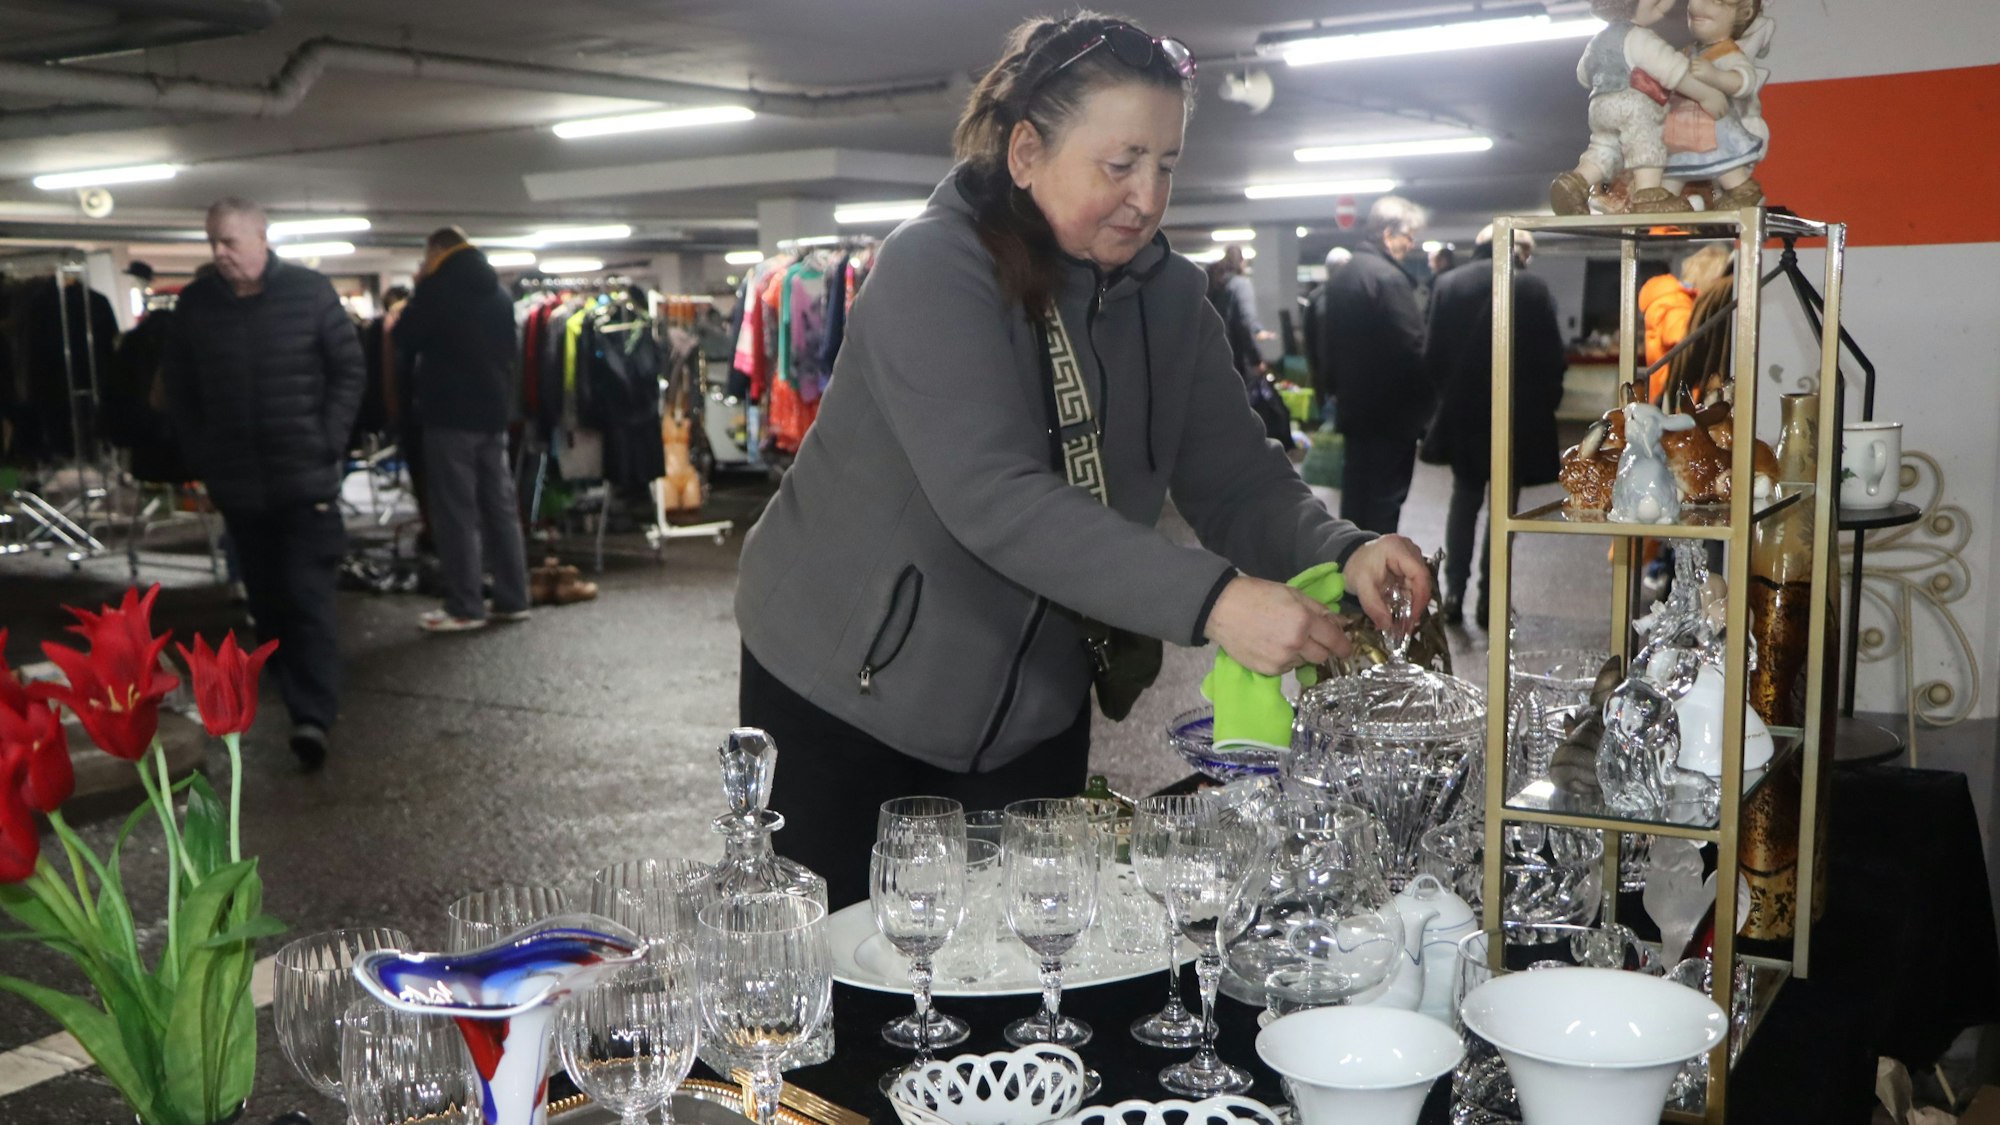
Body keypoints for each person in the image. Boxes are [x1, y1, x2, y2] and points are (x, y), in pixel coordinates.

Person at [733, 12, 1433, 907]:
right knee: (841, 974)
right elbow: (995, 498)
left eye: (1167, 165)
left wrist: (1344, 549)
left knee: (1026, 966)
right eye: (1120, 163)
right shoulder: (933, 270)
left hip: (1032, 707)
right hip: (844, 690)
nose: (1147, 195)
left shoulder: (1173, 302)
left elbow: (1238, 478)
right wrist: (1214, 599)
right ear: (1026, 153)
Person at [161, 197, 364, 770]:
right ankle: (292, 690)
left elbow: (349, 369)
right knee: (269, 603)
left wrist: (327, 437)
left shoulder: (309, 293)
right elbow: (179, 383)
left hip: (305, 478)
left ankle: (313, 715)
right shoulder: (197, 305)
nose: (220, 253)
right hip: (240, 484)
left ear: (261, 237)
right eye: (213, 243)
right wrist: (201, 450)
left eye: (229, 241)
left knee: (308, 596)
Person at [1419, 225, 1567, 627]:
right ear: (1518, 250)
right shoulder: (1533, 290)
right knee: (1504, 509)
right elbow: (1553, 359)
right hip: (1518, 415)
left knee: (1463, 501)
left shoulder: (1448, 284)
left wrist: (1450, 397)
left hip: (1464, 414)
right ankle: (1491, 600)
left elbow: (1430, 355)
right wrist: (1543, 403)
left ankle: (1452, 595)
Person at [392, 228, 532, 632]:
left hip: (449, 415)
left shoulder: (436, 290)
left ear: (437, 250)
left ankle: (465, 605)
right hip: (493, 413)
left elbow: (404, 338)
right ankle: (513, 597)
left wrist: (418, 292)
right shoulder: (500, 294)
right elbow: (509, 352)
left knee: (456, 512)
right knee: (500, 509)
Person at [1319, 194, 1431, 535]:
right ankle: (1381, 578)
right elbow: (1414, 348)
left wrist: (1333, 389)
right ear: (1387, 234)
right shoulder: (1389, 279)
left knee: (1355, 500)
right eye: (1408, 236)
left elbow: (1322, 343)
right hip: (1392, 416)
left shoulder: (1341, 277)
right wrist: (1427, 405)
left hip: (1354, 412)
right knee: (1385, 503)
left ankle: (1351, 574)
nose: (1411, 244)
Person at [1205, 244, 1291, 445]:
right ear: (1241, 263)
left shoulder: (1213, 285)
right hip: (1239, 364)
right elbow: (1245, 322)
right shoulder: (1241, 284)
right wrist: (1256, 360)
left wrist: (1258, 330)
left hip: (1214, 361)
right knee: (1248, 413)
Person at [1303, 246, 1352, 412]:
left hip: (1348, 378)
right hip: (1330, 378)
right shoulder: (1317, 298)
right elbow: (1310, 343)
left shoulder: (1317, 299)